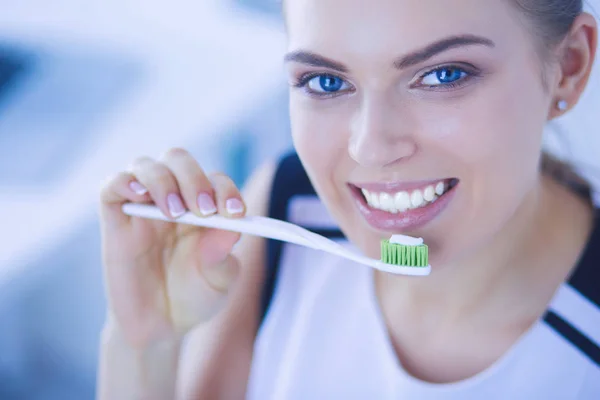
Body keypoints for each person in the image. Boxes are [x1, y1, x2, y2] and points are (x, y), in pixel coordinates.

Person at [97, 0, 600, 398]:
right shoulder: (286, 206)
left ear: (569, 66)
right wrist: (144, 343)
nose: (372, 148)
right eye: (327, 81)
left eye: (444, 75)